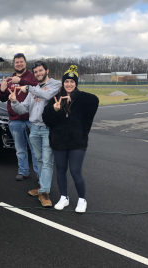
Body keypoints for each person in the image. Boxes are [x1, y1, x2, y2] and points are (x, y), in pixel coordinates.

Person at [42, 65, 99, 213]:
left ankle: (82, 199)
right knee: (60, 170)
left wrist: (74, 96)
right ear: (63, 83)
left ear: (76, 83)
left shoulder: (82, 99)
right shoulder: (56, 98)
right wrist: (55, 110)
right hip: (59, 142)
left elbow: (95, 100)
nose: (69, 84)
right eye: (66, 81)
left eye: (72, 82)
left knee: (75, 171)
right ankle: (64, 197)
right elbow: (47, 120)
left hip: (77, 142)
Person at [9, 61, 61, 207]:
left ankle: (44, 192)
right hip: (34, 128)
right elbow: (23, 109)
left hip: (47, 129)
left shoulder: (55, 85)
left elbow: (46, 95)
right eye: (36, 72)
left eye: (40, 71)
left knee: (47, 160)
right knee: (38, 159)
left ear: (47, 70)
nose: (38, 73)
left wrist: (29, 88)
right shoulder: (34, 89)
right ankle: (41, 185)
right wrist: (14, 102)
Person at [0, 53, 39, 181]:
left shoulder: (32, 77)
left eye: (21, 62)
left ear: (25, 63)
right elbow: (3, 99)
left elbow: (36, 88)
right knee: (20, 149)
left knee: (35, 150)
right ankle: (23, 171)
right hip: (15, 120)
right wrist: (2, 90)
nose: (19, 64)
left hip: (31, 119)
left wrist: (20, 81)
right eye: (17, 62)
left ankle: (40, 175)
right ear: (14, 64)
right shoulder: (10, 79)